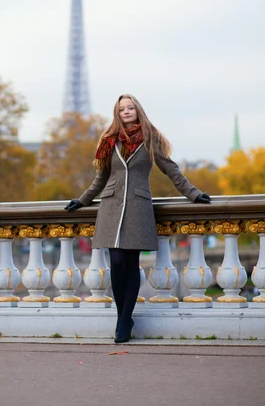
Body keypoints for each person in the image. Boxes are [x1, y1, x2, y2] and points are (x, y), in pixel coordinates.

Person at [64, 94, 210, 343]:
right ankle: (124, 318)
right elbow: (100, 179)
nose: (126, 112)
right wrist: (83, 200)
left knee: (130, 266)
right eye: (122, 109)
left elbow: (170, 169)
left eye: (130, 108)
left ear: (138, 110)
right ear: (117, 113)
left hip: (137, 208)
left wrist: (193, 193)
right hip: (111, 208)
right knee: (116, 264)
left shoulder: (151, 139)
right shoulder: (109, 141)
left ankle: (123, 322)